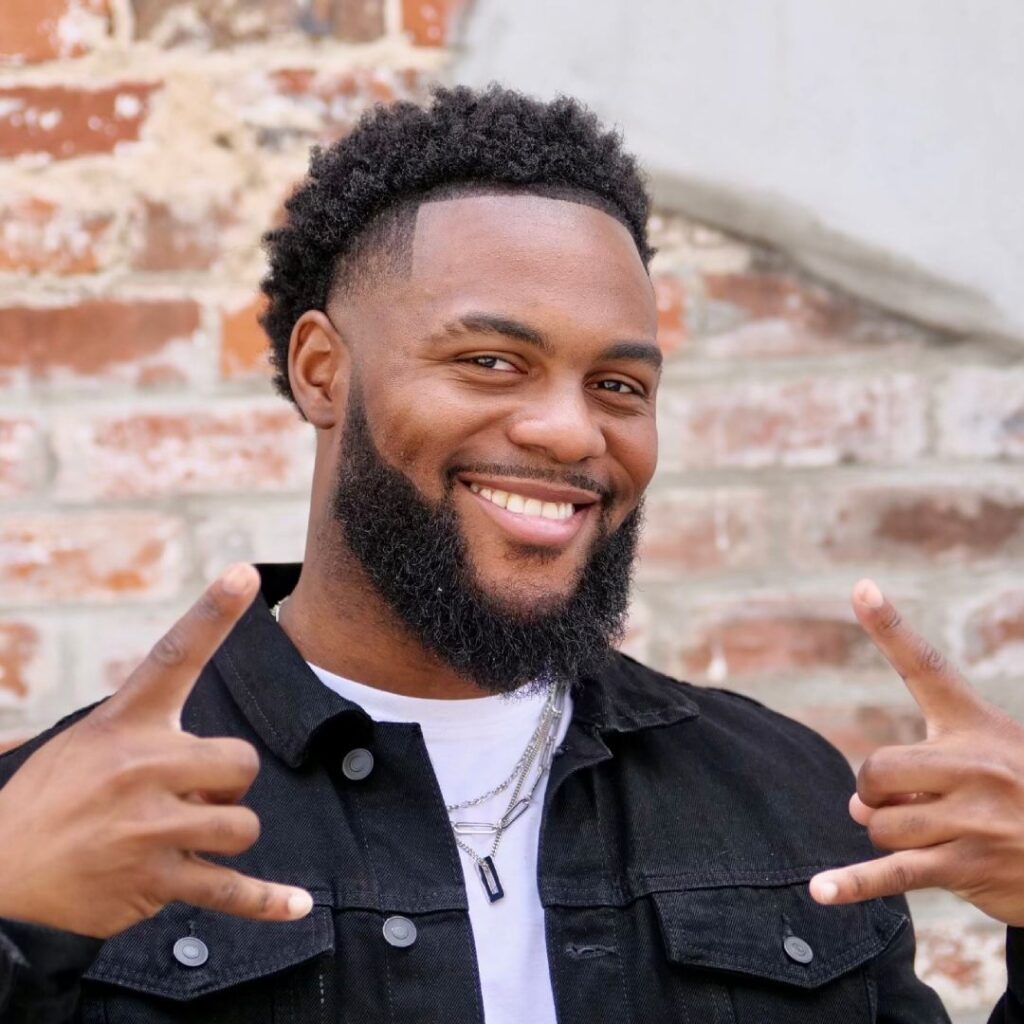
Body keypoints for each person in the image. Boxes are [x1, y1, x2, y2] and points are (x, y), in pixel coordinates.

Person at [0, 85, 1022, 1023]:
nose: (571, 432)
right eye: (492, 361)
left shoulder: (780, 789)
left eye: (618, 386)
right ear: (321, 371)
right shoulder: (63, 819)